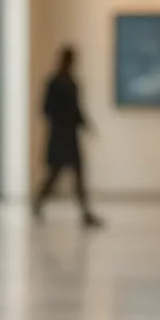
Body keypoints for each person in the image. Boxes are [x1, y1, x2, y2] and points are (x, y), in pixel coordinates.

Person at [33, 46, 103, 227]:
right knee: (55, 175)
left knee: (76, 174)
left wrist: (84, 124)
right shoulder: (55, 82)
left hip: (69, 136)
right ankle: (38, 202)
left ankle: (84, 212)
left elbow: (76, 109)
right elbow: (46, 108)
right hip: (59, 136)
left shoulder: (71, 83)